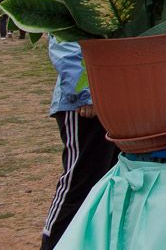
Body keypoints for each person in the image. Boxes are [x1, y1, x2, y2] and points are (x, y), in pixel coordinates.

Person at [40, 39, 120, 250]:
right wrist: (85, 93)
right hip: (85, 108)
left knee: (110, 179)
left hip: (119, 100)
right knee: (79, 181)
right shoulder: (73, 4)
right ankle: (53, 244)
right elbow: (64, 43)